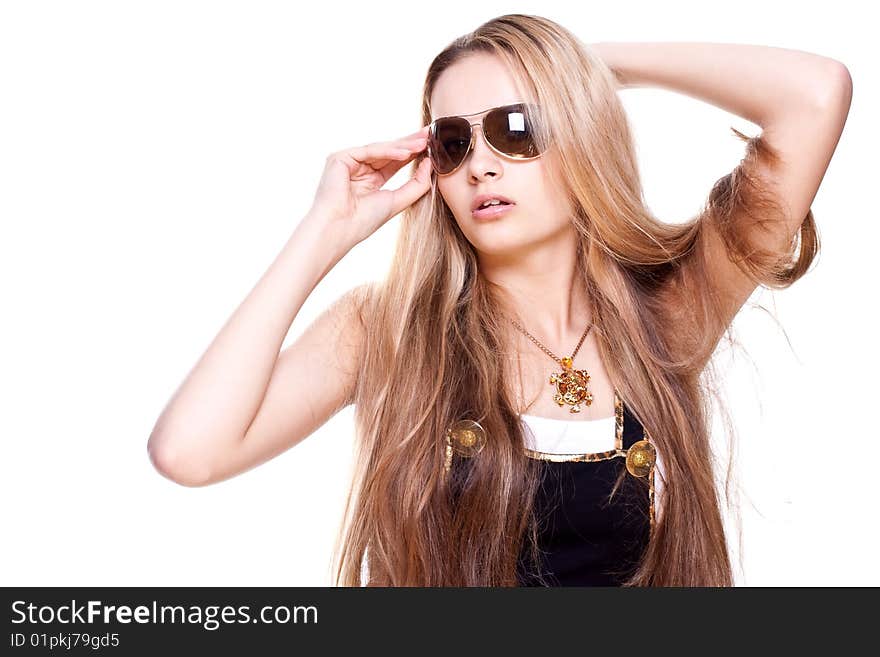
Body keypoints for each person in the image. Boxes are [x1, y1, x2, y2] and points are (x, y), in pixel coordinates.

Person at [146, 14, 852, 586]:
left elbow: (816, 94)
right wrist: (323, 231)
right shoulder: (388, 329)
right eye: (453, 142)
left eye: (516, 128)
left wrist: (586, 65)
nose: (481, 162)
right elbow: (189, 451)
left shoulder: (666, 314)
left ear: (579, 132)